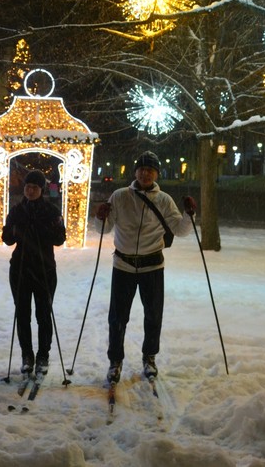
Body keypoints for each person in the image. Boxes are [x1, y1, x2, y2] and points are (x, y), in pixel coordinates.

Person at [95, 150, 196, 385]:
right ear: (135, 172)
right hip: (123, 265)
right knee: (117, 318)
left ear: (156, 173)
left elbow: (180, 230)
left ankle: (149, 358)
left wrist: (189, 214)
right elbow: (104, 229)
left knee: (153, 316)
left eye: (150, 170)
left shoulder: (164, 200)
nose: (145, 173)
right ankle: (115, 361)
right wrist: (100, 216)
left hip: (152, 266)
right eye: (142, 169)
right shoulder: (119, 196)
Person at [1, 170, 67, 377]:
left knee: (43, 314)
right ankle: (27, 355)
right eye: (28, 186)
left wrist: (45, 228)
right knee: (22, 314)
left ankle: (43, 356)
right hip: (20, 268)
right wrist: (13, 229)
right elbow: (7, 239)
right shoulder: (17, 210)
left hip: (44, 269)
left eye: (35, 187)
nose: (30, 190)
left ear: (42, 189)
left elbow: (59, 239)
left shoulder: (51, 210)